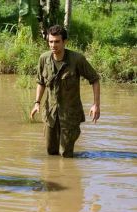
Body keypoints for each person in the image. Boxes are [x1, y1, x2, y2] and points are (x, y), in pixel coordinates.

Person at [30, 25, 101, 158]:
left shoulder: (77, 59)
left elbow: (95, 79)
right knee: (51, 152)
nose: (53, 45)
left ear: (64, 42)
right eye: (50, 41)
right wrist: (37, 102)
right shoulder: (44, 59)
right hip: (51, 113)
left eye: (57, 41)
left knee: (65, 154)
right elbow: (41, 82)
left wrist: (96, 104)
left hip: (70, 115)